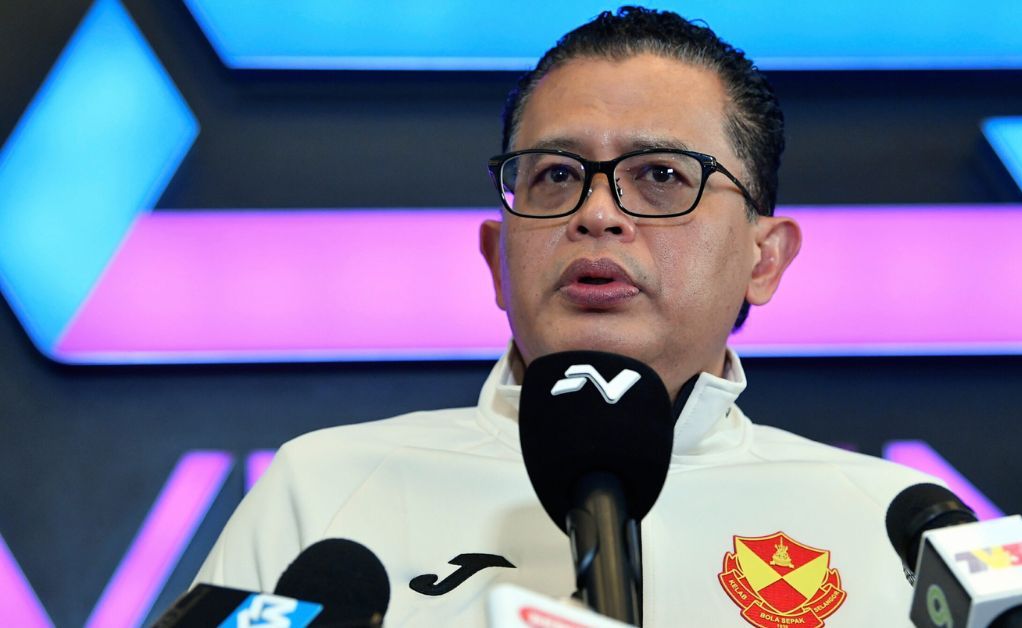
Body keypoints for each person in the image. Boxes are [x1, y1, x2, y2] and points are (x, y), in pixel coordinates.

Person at [195, 7, 938, 626]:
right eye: (556, 175)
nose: (598, 213)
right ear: (497, 258)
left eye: (661, 174)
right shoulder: (324, 490)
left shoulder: (893, 529)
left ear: (764, 258)